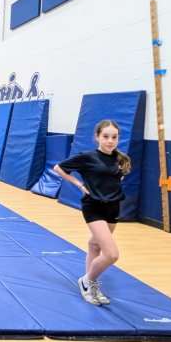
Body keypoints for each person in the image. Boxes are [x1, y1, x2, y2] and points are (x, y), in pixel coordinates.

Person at [54, 119, 131, 306]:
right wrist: (79, 184)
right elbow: (59, 168)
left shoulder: (121, 159)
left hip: (113, 207)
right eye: (105, 136)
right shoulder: (87, 156)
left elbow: (116, 180)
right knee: (111, 254)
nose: (110, 141)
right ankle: (87, 281)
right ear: (97, 137)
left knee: (95, 245)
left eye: (114, 137)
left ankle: (92, 285)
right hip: (94, 207)